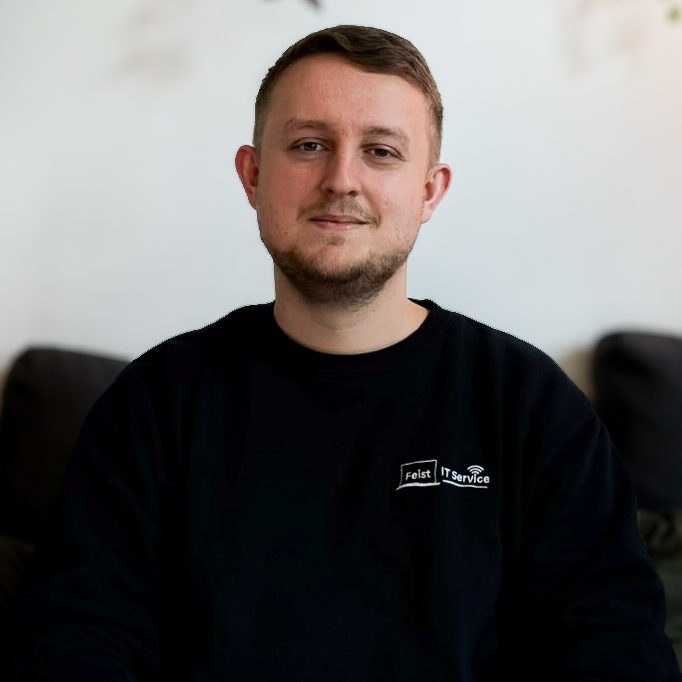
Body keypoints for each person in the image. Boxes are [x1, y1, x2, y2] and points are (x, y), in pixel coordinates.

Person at [10, 24, 681, 681]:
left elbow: (614, 642)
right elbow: (79, 632)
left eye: (381, 151)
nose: (341, 180)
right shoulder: (155, 403)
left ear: (430, 191)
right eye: (309, 145)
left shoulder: (529, 405)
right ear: (252, 175)